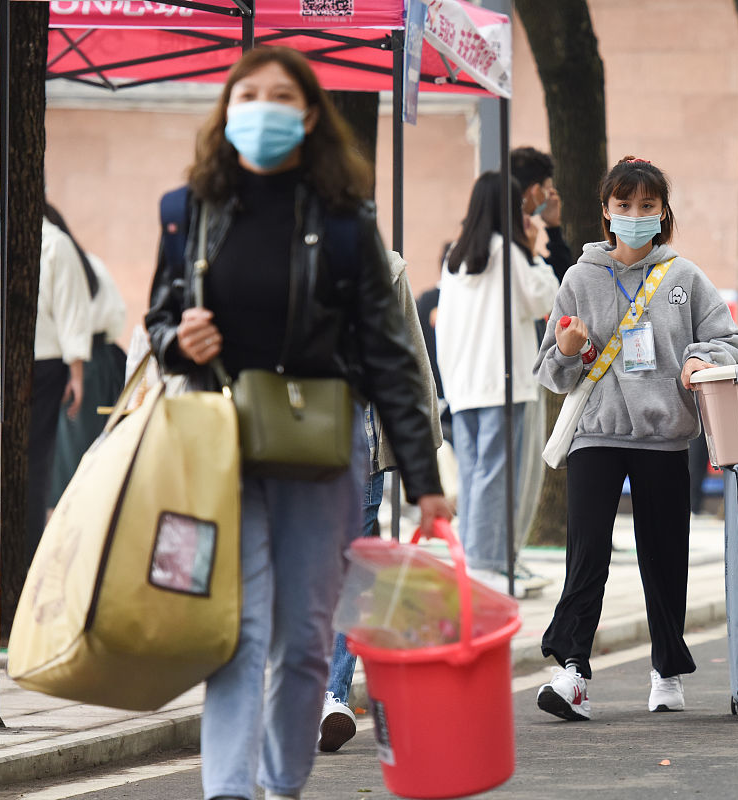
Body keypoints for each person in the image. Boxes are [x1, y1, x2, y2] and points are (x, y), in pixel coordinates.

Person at [144, 46, 450, 800]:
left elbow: (390, 359)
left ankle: (281, 785)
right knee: (238, 632)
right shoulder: (189, 212)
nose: (263, 109)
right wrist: (175, 340)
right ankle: (231, 793)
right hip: (221, 444)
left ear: (310, 115)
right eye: (248, 94)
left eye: (282, 97)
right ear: (226, 108)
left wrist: (424, 479)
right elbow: (156, 318)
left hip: (323, 446)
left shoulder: (346, 224)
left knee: (308, 641)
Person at [533, 156, 738, 721]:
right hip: (596, 434)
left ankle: (667, 670)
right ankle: (572, 671)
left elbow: (732, 340)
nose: (634, 215)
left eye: (646, 206)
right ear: (606, 211)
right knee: (587, 553)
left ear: (662, 212)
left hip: (664, 436)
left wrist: (698, 359)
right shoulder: (579, 279)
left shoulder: (684, 277)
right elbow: (552, 374)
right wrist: (568, 349)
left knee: (665, 555)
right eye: (624, 205)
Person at [317, 250, 443, 753]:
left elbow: (406, 361)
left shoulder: (381, 265)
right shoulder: (254, 241)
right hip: (277, 447)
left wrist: (424, 471)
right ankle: (319, 689)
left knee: (350, 570)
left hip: (354, 447)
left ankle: (330, 693)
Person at [435, 171, 559, 597]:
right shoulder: (507, 252)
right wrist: (532, 252)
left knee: (474, 474)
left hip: (465, 385)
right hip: (504, 384)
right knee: (497, 474)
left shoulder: (455, 256)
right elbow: (545, 299)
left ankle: (472, 560)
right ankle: (487, 566)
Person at [45, 204, 128, 508]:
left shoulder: (53, 253)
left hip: (77, 366)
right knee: (94, 461)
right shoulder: (89, 261)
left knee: (71, 471)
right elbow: (117, 315)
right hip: (107, 361)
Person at [28, 214, 93, 562]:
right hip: (38, 363)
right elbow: (71, 310)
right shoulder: (53, 242)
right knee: (32, 464)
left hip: (44, 366)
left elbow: (70, 311)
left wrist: (76, 371)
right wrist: (77, 372)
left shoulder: (51, 242)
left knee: (33, 465)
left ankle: (27, 554)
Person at [511, 146, 574, 282]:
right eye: (547, 189)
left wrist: (553, 225)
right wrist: (554, 230)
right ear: (535, 190)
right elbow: (558, 280)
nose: (549, 196)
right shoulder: (516, 238)